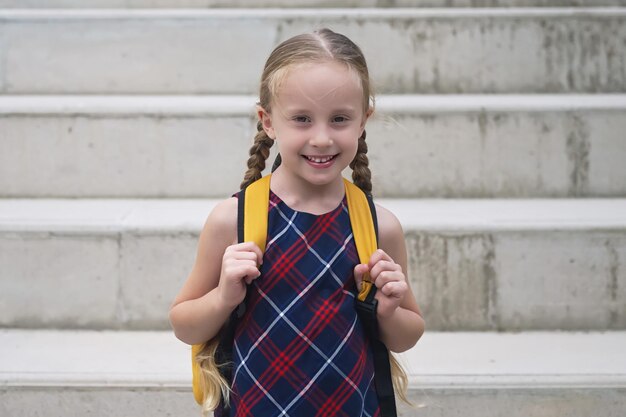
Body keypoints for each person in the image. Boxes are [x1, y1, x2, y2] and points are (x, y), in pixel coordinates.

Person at [169, 28, 425, 417]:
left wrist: (388, 309)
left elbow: (408, 335)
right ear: (268, 121)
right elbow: (185, 326)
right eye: (302, 119)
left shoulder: (378, 227)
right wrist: (223, 297)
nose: (321, 138)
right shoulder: (233, 221)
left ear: (363, 121)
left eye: (339, 119)